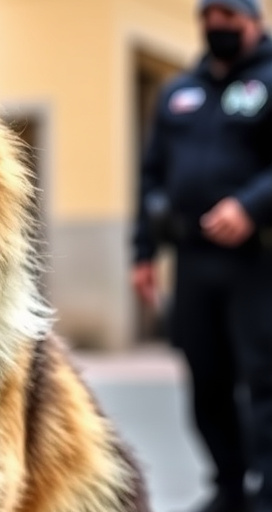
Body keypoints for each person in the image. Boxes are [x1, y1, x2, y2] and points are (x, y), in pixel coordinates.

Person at [133, 0, 272, 511]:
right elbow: (150, 177)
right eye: (209, 18)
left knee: (264, 380)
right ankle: (230, 487)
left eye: (229, 18)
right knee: (206, 381)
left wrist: (250, 206)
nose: (218, 27)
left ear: (254, 22)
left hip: (257, 262)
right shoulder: (178, 92)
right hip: (192, 260)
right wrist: (143, 252)